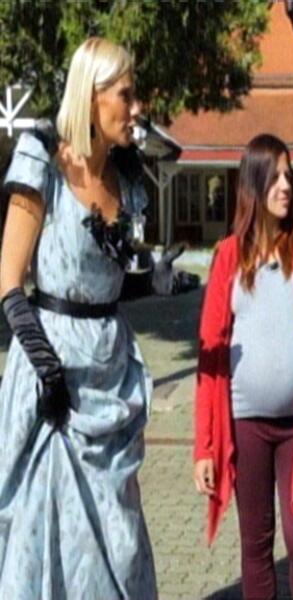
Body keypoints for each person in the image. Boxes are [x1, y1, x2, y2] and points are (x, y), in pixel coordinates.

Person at [0, 38, 157, 599]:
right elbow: (8, 278)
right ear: (91, 96)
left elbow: (109, 282)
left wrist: (156, 280)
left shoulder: (129, 181)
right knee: (51, 535)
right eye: (126, 95)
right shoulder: (42, 158)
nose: (137, 107)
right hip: (53, 378)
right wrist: (44, 366)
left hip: (110, 372)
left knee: (121, 538)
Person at [193, 133, 293, 600]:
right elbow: (209, 357)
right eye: (275, 176)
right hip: (245, 426)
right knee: (256, 545)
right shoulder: (227, 258)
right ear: (253, 185)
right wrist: (204, 447)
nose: (286, 185)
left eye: (288, 175)